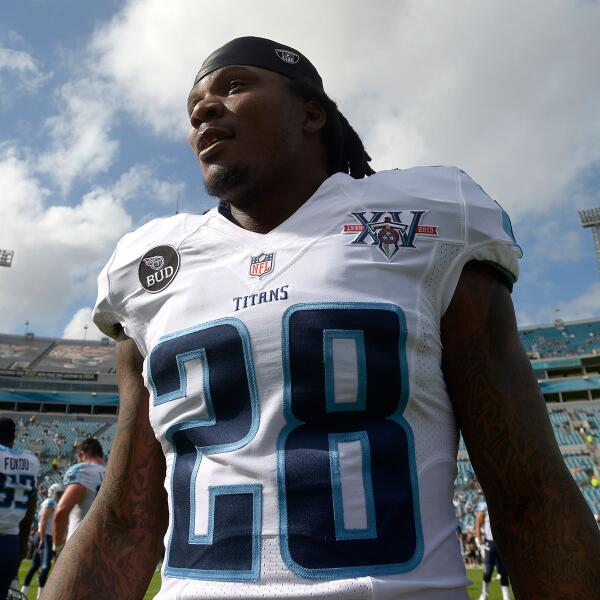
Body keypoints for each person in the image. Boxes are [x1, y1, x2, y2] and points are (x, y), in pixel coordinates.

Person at [43, 36, 600, 599]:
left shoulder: (428, 220)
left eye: (233, 86)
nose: (204, 108)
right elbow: (124, 520)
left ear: (311, 113)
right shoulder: (149, 267)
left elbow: (531, 496)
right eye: (194, 104)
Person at [0, 416, 40, 599]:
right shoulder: (30, 461)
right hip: (11, 544)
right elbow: (29, 513)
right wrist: (21, 549)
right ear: (14, 437)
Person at [51, 439, 104, 556]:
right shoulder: (114, 473)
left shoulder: (83, 471)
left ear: (82, 454)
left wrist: (57, 547)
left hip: (81, 548)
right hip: (110, 549)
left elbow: (61, 511)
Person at [22, 483, 64, 599]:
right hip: (45, 536)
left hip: (44, 535)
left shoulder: (50, 502)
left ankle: (23, 593)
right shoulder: (51, 502)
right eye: (60, 493)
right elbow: (44, 521)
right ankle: (40, 596)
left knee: (35, 566)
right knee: (45, 566)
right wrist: (42, 539)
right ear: (54, 492)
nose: (62, 495)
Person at [475, 500, 510, 600]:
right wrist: (479, 540)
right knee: (488, 570)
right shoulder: (485, 506)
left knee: (504, 571)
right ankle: (484, 594)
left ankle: (506, 597)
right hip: (490, 543)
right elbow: (478, 523)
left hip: (502, 543)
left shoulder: (504, 505)